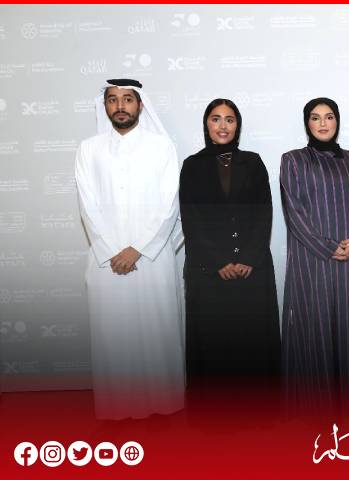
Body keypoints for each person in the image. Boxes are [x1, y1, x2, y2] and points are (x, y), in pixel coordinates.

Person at [74, 79, 184, 420]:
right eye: (113, 99)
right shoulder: (89, 149)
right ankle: (117, 409)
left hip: (152, 259)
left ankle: (163, 405)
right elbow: (87, 206)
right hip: (106, 262)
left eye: (127, 99)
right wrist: (111, 250)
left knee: (156, 333)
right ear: (105, 106)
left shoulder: (161, 147)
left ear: (140, 105)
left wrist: (138, 249)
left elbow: (169, 205)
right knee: (113, 335)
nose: (120, 105)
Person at [179, 99, 280, 411]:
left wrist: (248, 257)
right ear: (206, 125)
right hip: (208, 273)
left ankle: (257, 412)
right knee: (213, 345)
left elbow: (264, 213)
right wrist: (218, 262)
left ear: (238, 125)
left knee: (253, 342)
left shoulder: (254, 162)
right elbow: (191, 220)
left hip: (253, 270)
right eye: (215, 119)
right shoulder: (191, 165)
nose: (223, 126)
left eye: (229, 119)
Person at [280, 97, 349, 417]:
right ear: (307, 123)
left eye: (329, 116)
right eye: (315, 117)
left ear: (337, 121)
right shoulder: (293, 160)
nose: (323, 123)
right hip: (312, 262)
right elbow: (294, 212)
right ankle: (316, 410)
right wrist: (326, 246)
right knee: (314, 330)